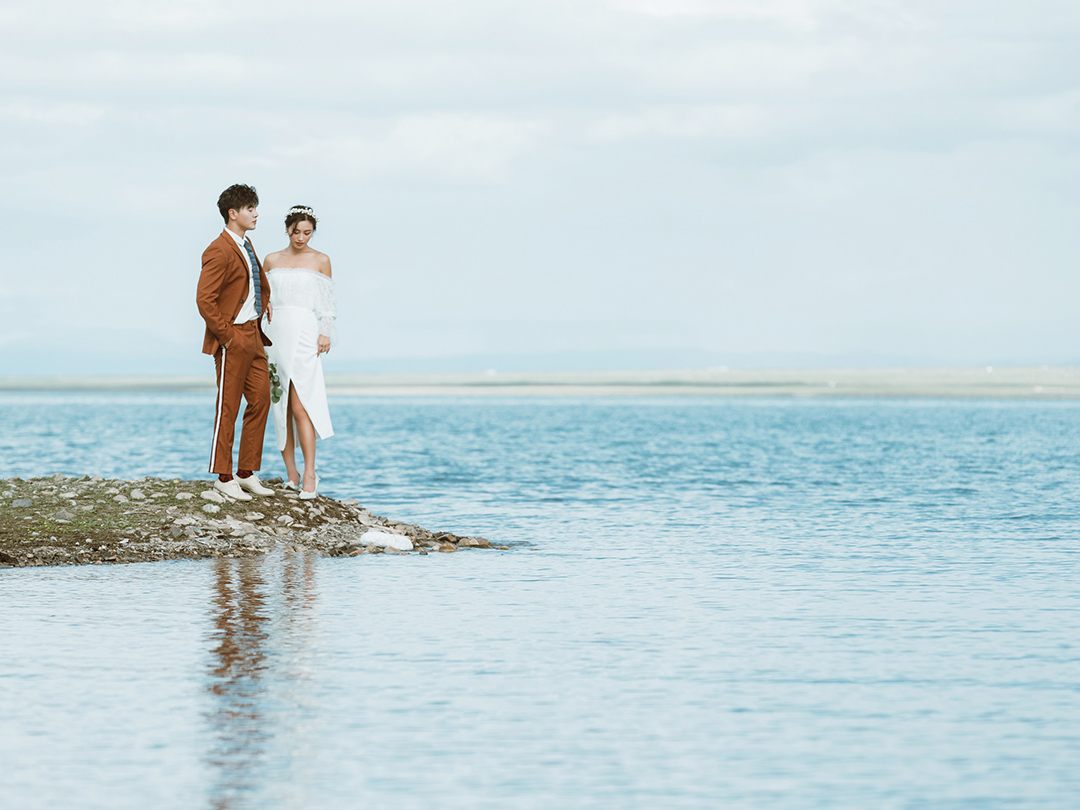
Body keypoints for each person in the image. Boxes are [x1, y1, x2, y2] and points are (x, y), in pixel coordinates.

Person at [195, 183, 276, 502]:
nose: (256, 213)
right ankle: (223, 476)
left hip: (254, 334)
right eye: (250, 209)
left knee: (261, 399)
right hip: (233, 337)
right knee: (228, 405)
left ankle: (245, 473)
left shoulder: (246, 243)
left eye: (255, 208)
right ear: (233, 213)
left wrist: (261, 302)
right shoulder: (218, 248)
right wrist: (227, 335)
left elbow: (252, 280)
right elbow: (204, 299)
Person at [261, 205, 336, 499]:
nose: (301, 237)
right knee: (279, 405)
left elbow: (328, 302)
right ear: (287, 229)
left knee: (300, 405)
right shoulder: (271, 259)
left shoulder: (321, 260)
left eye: (307, 232)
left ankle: (310, 473)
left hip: (305, 331)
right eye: (296, 231)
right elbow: (261, 295)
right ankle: (291, 474)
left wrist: (325, 331)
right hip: (274, 331)